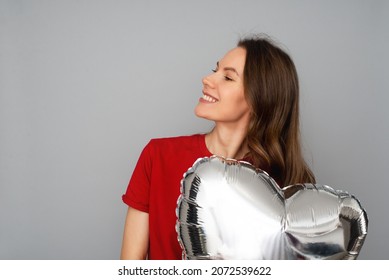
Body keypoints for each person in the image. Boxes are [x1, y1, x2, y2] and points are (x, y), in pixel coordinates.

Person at [120, 35, 316, 260]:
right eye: (214, 70)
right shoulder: (158, 156)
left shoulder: (283, 186)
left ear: (259, 98)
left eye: (227, 78)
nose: (207, 79)